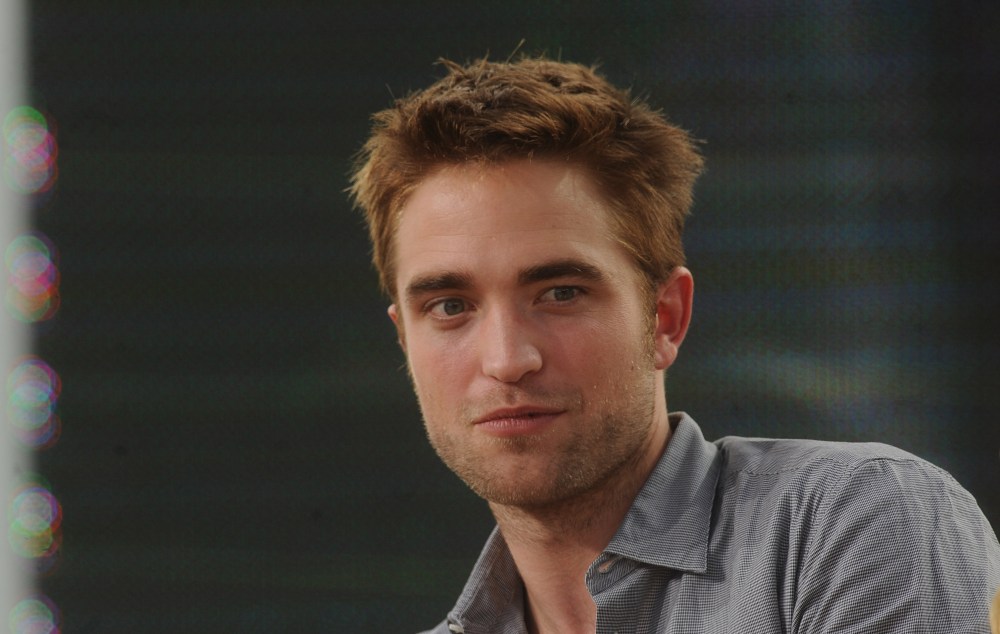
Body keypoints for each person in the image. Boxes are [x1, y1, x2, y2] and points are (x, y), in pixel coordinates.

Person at [349, 56, 1000, 633]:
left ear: (664, 318)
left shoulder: (853, 522)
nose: (507, 360)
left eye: (561, 292)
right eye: (450, 307)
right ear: (404, 340)